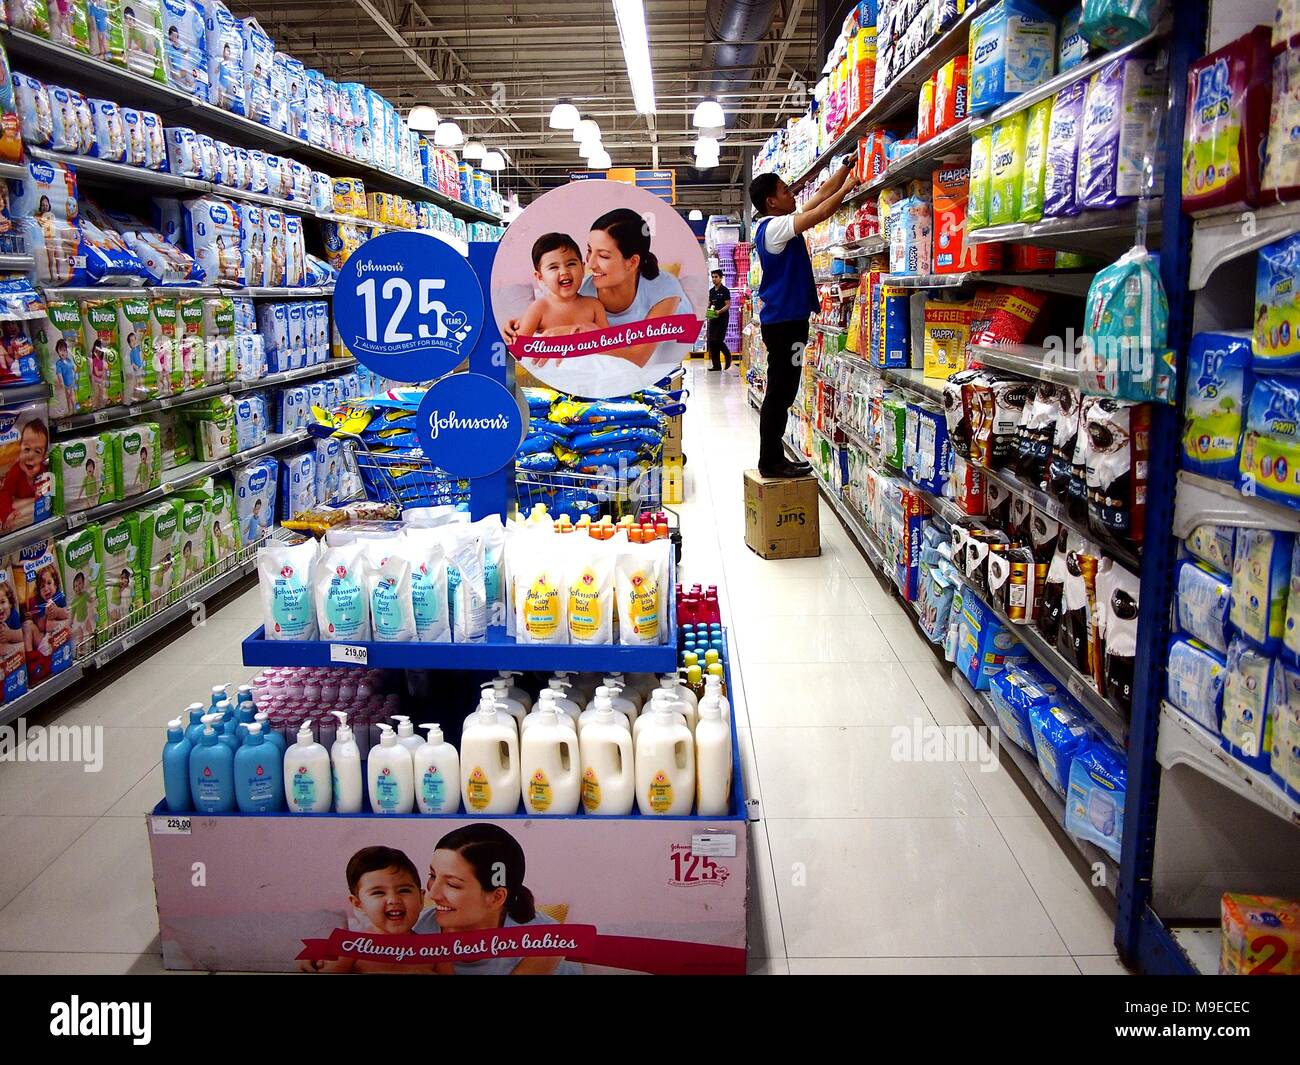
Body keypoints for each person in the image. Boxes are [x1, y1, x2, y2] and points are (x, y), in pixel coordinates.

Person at [749, 160, 859, 478]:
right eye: (785, 191)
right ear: (771, 201)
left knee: (783, 391)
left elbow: (818, 198)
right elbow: (821, 212)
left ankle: (774, 457)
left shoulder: (779, 222)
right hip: (784, 322)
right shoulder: (775, 226)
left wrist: (843, 171)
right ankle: (770, 461)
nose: (791, 194)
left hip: (786, 320)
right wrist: (850, 187)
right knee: (780, 393)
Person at [413, 823, 580, 975]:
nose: (432, 894)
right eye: (432, 875)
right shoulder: (415, 930)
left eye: (452, 884)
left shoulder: (546, 939)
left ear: (496, 897)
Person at [517, 233, 610, 337]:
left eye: (571, 264)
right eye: (553, 267)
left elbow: (609, 343)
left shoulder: (594, 306)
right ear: (540, 277)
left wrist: (590, 330)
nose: (564, 272)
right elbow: (519, 348)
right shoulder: (538, 308)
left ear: (583, 268)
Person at [706, 268, 732, 372]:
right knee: (712, 341)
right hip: (713, 318)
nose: (714, 279)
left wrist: (719, 311)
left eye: (716, 277)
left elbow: (728, 305)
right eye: (712, 277)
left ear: (721, 278)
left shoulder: (725, 290)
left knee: (718, 340)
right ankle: (716, 366)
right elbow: (709, 304)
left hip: (722, 319)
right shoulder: (711, 291)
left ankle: (728, 356)